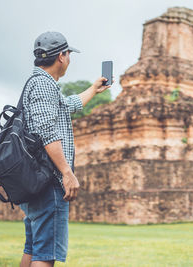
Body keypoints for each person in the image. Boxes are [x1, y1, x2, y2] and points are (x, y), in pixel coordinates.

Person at [19, 31, 113, 267]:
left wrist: (93, 89)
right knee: (45, 254)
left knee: (33, 248)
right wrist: (66, 173)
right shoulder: (42, 85)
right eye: (69, 54)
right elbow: (47, 132)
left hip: (37, 179)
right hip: (48, 181)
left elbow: (67, 105)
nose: (69, 59)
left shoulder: (44, 85)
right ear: (61, 56)